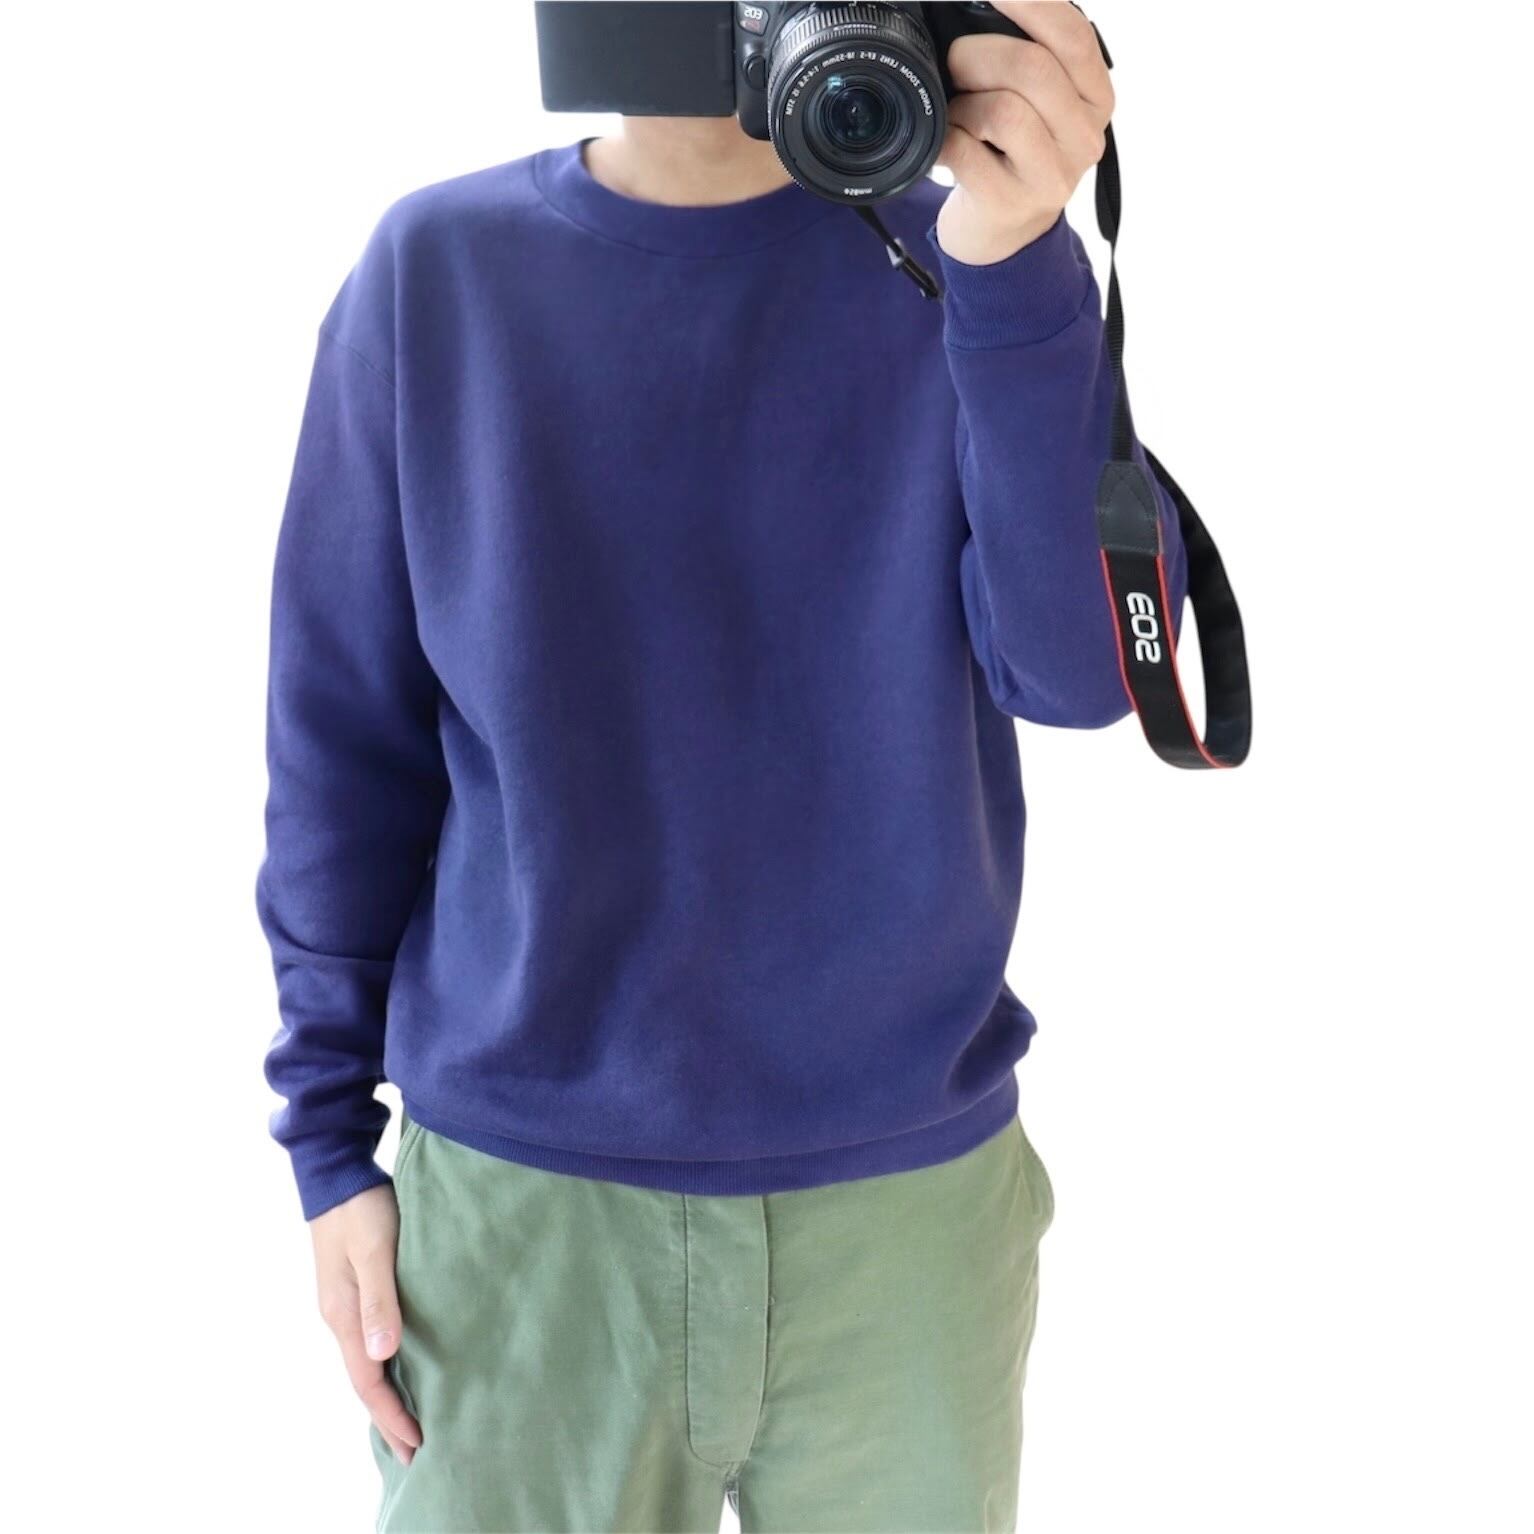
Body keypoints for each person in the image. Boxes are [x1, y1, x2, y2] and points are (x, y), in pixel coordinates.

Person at [257, 4, 1183, 1528]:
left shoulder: (962, 258)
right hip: (525, 1209)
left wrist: (1015, 258)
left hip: (902, 1214)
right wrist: (326, 1147)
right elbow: (338, 748)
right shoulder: (438, 277)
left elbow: (1081, 673)